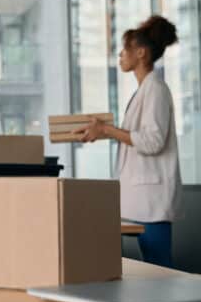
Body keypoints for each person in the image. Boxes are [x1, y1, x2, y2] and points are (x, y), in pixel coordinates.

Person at [75, 15, 182, 270]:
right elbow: (137, 136)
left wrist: (108, 130)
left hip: (152, 201)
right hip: (142, 198)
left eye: (125, 50)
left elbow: (153, 141)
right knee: (154, 268)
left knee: (160, 269)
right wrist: (103, 132)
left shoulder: (155, 89)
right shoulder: (144, 90)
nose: (121, 55)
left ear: (141, 53)